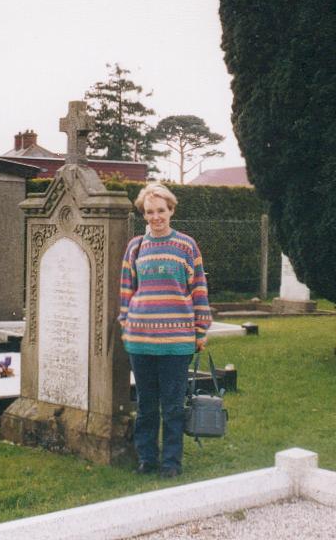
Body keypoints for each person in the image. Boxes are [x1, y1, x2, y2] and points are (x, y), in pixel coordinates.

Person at [118, 183, 211, 478]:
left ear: (171, 210)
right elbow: (125, 290)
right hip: (141, 340)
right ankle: (147, 459)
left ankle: (171, 463)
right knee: (146, 406)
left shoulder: (187, 245)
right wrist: (125, 324)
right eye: (149, 212)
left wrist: (201, 329)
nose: (156, 217)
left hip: (177, 341)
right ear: (143, 214)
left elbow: (198, 288)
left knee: (172, 407)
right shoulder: (136, 246)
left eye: (161, 210)